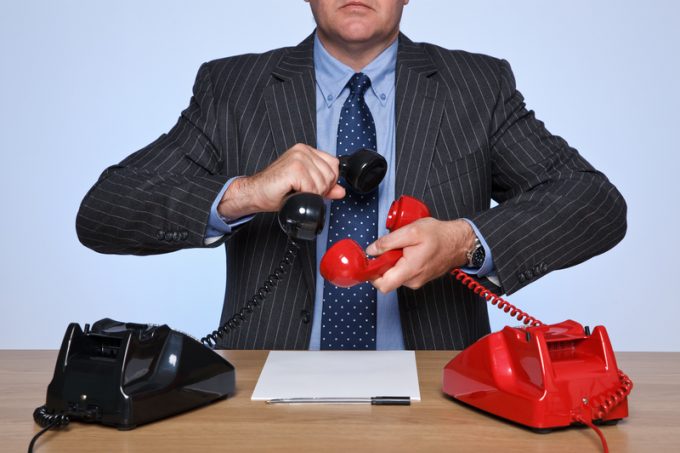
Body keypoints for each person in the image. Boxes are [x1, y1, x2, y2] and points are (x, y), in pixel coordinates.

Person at [76, 0, 627, 350]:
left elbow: (594, 202)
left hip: (437, 392)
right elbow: (103, 212)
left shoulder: (477, 87)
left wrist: (462, 241)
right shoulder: (233, 88)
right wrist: (244, 194)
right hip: (263, 395)